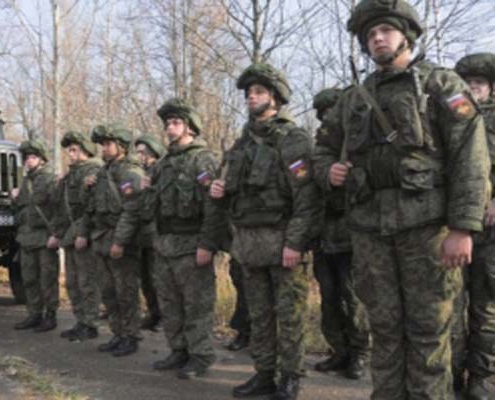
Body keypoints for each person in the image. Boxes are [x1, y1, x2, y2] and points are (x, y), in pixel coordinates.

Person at [313, 1, 490, 398]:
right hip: (371, 234)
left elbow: (469, 158)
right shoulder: (353, 99)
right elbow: (322, 147)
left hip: (427, 232)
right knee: (385, 330)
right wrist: (329, 170)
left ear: (405, 35)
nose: (377, 38)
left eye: (385, 31)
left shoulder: (441, 86)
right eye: (370, 34)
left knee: (429, 332)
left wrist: (462, 227)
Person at [210, 63, 320, 400]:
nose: (251, 98)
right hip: (249, 245)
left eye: (258, 92)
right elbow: (233, 189)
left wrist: (296, 242)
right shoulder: (241, 144)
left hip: (283, 242)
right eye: (248, 94)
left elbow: (307, 196)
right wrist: (220, 189)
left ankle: (290, 379)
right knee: (258, 316)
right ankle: (263, 373)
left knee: (289, 317)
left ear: (274, 97)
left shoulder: (293, 138)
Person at [127, 98, 224, 379]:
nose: (170, 128)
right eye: (168, 123)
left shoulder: (203, 160)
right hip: (165, 245)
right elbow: (147, 213)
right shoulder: (162, 165)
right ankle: (178, 350)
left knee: (196, 305)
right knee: (170, 305)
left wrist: (208, 244)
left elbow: (214, 208)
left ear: (190, 128)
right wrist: (145, 190)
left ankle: (200, 355)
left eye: (176, 122)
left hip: (192, 245)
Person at [311, 88, 371, 380]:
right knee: (329, 297)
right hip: (324, 234)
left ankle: (359, 353)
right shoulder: (320, 149)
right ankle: (338, 350)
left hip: (350, 233)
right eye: (322, 116)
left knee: (353, 298)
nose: (325, 120)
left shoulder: (358, 144)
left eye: (329, 114)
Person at [79, 123, 145, 357]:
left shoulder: (131, 172)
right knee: (108, 291)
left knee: (126, 292)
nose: (103, 149)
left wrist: (120, 241)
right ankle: (118, 333)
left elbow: (132, 210)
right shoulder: (102, 172)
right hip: (101, 237)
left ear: (122, 147)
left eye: (108, 144)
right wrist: (87, 188)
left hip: (120, 239)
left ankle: (131, 336)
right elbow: (90, 207)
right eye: (102, 144)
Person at [454, 52, 495, 399]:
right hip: (451, 230)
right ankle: (449, 371)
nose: (472, 90)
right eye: (467, 84)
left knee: (486, 310)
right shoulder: (450, 119)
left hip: (490, 234)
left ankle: (479, 378)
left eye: (478, 84)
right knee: (448, 308)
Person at [49, 131, 103, 342]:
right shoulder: (72, 174)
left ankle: (90, 323)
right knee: (72, 282)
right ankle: (81, 321)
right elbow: (61, 207)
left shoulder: (94, 170)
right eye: (68, 149)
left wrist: (84, 233)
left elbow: (92, 208)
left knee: (87, 281)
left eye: (74, 149)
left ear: (85, 150)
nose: (70, 153)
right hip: (70, 235)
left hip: (83, 235)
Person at [13, 138, 60, 332]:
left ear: (41, 159)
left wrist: (56, 234)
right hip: (26, 237)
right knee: (29, 279)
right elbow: (23, 210)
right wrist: (14, 199)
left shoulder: (51, 179)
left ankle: (50, 316)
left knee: (47, 279)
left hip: (44, 237)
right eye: (26, 158)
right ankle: (34, 314)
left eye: (32, 157)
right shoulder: (26, 181)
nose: (28, 161)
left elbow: (59, 210)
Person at [134, 134, 166, 331]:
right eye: (137, 152)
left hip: (156, 234)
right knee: (146, 279)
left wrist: (149, 189)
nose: (139, 156)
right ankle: (153, 313)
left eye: (142, 152)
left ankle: (162, 316)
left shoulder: (160, 170)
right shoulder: (143, 172)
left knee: (157, 279)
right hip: (143, 235)